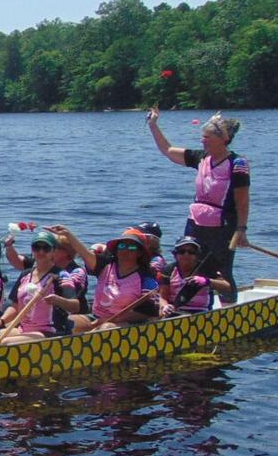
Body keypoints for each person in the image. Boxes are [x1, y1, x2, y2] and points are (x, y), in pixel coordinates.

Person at [147, 108, 249, 302]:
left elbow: (242, 200)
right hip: (196, 222)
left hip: (223, 226)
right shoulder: (201, 158)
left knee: (221, 269)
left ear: (222, 139)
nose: (202, 140)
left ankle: (229, 308)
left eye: (207, 137)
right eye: (203, 137)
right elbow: (167, 150)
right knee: (187, 264)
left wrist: (241, 229)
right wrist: (153, 125)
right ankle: (183, 306)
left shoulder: (237, 163)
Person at [52, 226, 159, 332]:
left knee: (106, 329)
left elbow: (147, 313)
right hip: (97, 317)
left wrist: (108, 321)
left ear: (139, 253)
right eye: (122, 246)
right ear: (116, 249)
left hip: (127, 322)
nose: (125, 250)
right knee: (67, 322)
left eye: (131, 248)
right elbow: (85, 254)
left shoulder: (146, 278)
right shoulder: (105, 265)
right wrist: (68, 235)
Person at [0, 230, 76, 344]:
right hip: (24, 329)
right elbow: (15, 307)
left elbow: (75, 306)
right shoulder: (25, 275)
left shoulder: (61, 275)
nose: (41, 251)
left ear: (54, 251)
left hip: (50, 331)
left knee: (6, 342)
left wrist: (58, 300)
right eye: (36, 247)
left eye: (46, 248)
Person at [161, 236, 231, 315]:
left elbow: (227, 287)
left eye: (191, 252)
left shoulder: (206, 268)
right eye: (182, 251)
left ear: (197, 255)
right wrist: (165, 306)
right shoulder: (169, 269)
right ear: (175, 254)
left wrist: (207, 281)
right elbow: (163, 297)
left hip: (201, 313)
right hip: (176, 311)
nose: (186, 254)